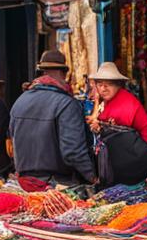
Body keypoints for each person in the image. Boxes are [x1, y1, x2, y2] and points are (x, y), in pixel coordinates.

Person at [9, 50, 96, 186]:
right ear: (63, 73)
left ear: (42, 72)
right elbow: (73, 151)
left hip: (25, 182)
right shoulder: (66, 103)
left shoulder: (20, 100)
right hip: (56, 183)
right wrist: (92, 176)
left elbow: (12, 144)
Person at [86, 61, 147, 185]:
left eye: (109, 84)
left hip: (135, 161)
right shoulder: (104, 102)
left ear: (118, 85)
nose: (103, 88)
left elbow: (146, 132)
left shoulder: (127, 102)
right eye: (100, 84)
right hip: (119, 163)